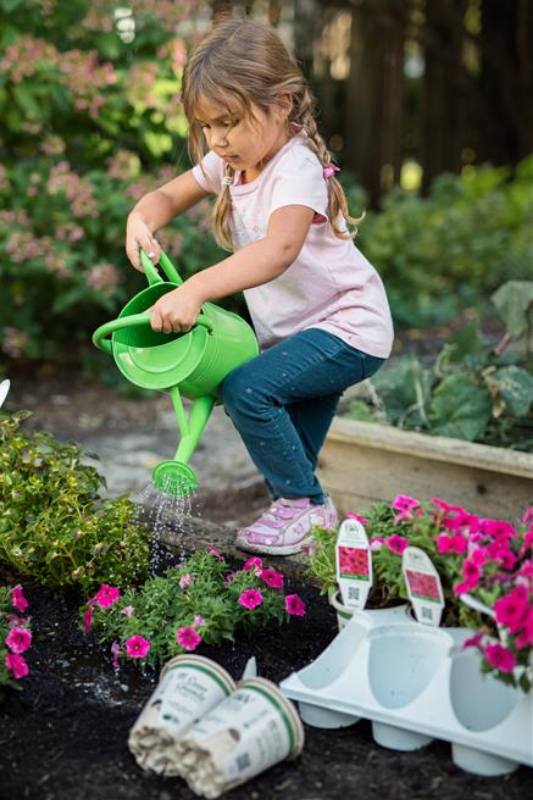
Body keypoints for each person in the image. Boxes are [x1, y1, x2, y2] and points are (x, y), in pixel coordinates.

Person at [124, 18, 394, 556]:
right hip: (305, 332)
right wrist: (141, 219)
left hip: (348, 325)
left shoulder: (294, 167)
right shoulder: (230, 164)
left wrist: (195, 289)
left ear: (284, 104)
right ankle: (311, 543)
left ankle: (309, 510)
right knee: (289, 457)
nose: (218, 139)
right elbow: (165, 198)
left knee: (248, 390)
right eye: (206, 127)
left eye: (229, 122)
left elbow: (279, 250)